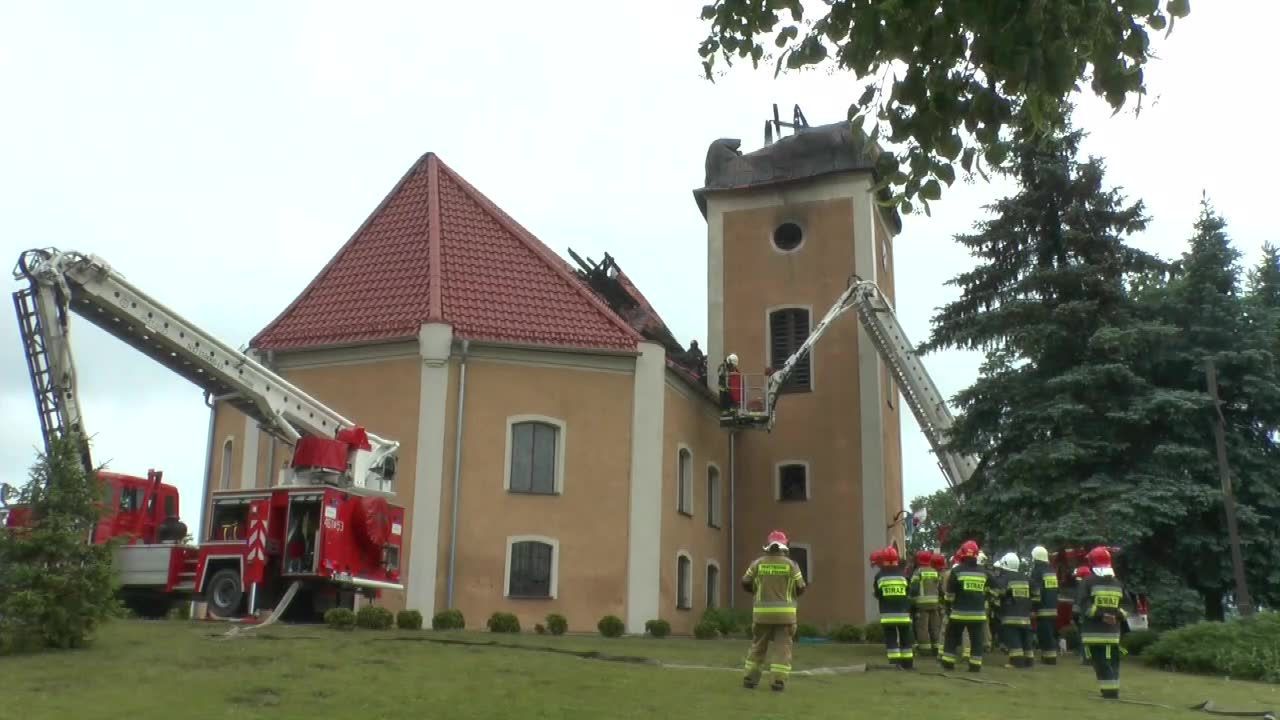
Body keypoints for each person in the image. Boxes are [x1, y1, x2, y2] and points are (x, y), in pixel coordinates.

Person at [741, 529, 807, 692]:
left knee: (758, 646)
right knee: (782, 648)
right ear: (785, 546)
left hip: (762, 614)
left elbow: (745, 582)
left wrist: (757, 592)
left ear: (768, 545)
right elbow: (801, 587)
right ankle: (778, 681)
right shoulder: (792, 565)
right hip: (785, 616)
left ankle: (750, 678)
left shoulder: (757, 563)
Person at [1078, 546, 1126, 699]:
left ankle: (1109, 692)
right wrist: (1117, 616)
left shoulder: (1087, 582)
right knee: (1112, 662)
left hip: (1094, 634)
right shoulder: (1118, 583)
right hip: (1113, 634)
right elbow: (1128, 605)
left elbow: (1083, 604)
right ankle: (1112, 690)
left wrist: (1102, 615)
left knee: (1101, 663)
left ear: (1092, 563)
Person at [940, 540, 989, 672]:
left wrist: (948, 607)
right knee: (977, 640)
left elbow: (950, 593)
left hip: (959, 613)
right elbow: (992, 589)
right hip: (978, 614)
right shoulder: (983, 572)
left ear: (962, 554)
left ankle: (948, 663)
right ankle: (975, 665)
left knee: (951, 637)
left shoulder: (957, 571)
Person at [872, 545, 914, 669]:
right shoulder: (903, 575)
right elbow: (908, 592)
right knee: (906, 639)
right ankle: (908, 664)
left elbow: (878, 594)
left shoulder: (879, 576)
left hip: (887, 615)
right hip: (903, 615)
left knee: (891, 639)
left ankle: (894, 665)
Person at [991, 552, 1034, 668]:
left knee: (1013, 638)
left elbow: (998, 593)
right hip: (1025, 615)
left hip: (1010, 615)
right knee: (1025, 639)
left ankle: (1016, 662)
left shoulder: (1005, 578)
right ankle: (1029, 660)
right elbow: (1036, 594)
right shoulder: (1026, 578)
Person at [1028, 545, 1060, 664]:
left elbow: (1036, 591)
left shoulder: (1037, 571)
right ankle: (1049, 657)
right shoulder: (1051, 570)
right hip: (1052, 607)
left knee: (1044, 634)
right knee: (1050, 633)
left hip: (1042, 608)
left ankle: (1049, 658)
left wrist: (1033, 609)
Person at [909, 550, 943, 656]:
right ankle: (936, 647)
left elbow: (914, 588)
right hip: (935, 603)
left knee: (922, 626)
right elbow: (940, 587)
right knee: (934, 626)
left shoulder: (918, 572)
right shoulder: (935, 571)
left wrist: (910, 599)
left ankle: (924, 648)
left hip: (922, 603)